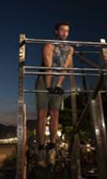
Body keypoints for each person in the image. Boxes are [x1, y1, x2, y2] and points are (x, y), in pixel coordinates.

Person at [36, 21, 74, 166]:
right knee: (42, 113)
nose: (65, 33)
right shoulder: (49, 45)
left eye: (67, 30)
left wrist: (58, 85)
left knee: (55, 113)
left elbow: (65, 68)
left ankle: (52, 146)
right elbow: (48, 66)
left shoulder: (70, 49)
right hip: (44, 80)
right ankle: (41, 148)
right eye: (62, 30)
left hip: (57, 81)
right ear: (56, 32)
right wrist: (48, 85)